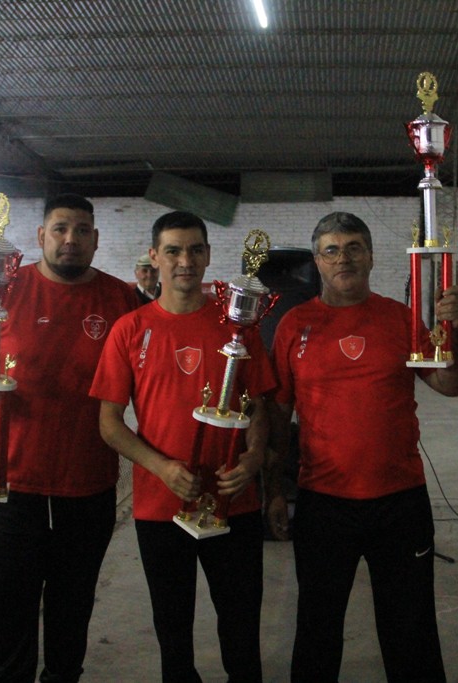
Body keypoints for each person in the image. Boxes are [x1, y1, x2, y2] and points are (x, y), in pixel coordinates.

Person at [0, 193, 138, 683]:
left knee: (73, 605)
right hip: (8, 482)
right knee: (9, 604)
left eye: (81, 230)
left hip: (87, 482)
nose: (70, 239)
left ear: (96, 239)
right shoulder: (3, 289)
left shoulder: (120, 300)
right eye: (60, 229)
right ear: (40, 238)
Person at [265, 211, 458, 682]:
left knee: (410, 629)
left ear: (371, 256)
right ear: (317, 261)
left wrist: (449, 329)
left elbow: (450, 384)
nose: (344, 258)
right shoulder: (294, 325)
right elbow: (277, 417)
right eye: (331, 250)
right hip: (323, 502)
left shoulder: (400, 319)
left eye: (354, 247)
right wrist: (273, 488)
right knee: (317, 629)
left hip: (399, 500)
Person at [91, 210, 274, 683]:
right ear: (154, 258)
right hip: (161, 508)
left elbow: (258, 407)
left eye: (195, 250)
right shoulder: (130, 330)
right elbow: (109, 424)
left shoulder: (239, 324)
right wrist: (161, 467)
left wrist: (253, 458)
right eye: (173, 250)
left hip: (234, 502)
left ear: (209, 256)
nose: (185, 261)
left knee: (241, 634)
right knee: (173, 636)